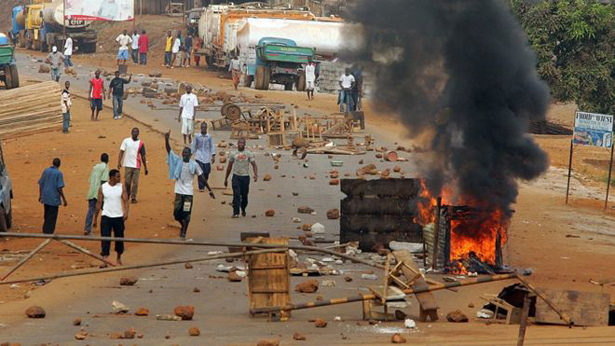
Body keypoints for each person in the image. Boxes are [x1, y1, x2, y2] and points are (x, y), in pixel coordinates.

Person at [165, 131, 214, 239]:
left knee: (186, 213)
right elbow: (169, 151)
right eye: (183, 154)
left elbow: (202, 177)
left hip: (188, 193)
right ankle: (182, 226)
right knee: (176, 213)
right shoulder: (178, 161)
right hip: (178, 192)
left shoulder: (194, 165)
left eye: (187, 154)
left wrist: (209, 189)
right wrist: (166, 140)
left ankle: (184, 232)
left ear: (190, 155)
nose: (184, 155)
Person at [93, 169, 128, 266]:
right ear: (112, 177)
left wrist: (126, 212)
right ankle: (105, 260)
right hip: (106, 216)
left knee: (119, 238)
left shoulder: (122, 187)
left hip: (118, 216)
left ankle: (118, 258)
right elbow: (99, 203)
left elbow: (125, 200)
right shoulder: (103, 188)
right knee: (105, 238)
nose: (119, 178)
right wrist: (95, 218)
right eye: (118, 176)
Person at [224, 138, 258, 218]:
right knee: (236, 194)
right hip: (236, 177)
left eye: (242, 143)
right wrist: (226, 178)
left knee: (244, 196)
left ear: (244, 144)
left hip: (245, 177)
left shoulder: (248, 154)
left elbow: (254, 165)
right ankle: (236, 212)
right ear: (237, 144)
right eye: (239, 143)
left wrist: (255, 174)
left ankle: (243, 208)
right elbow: (229, 167)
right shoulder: (233, 153)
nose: (240, 144)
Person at [118, 128, 148, 204]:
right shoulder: (126, 141)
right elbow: (121, 151)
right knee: (127, 182)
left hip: (136, 166)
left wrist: (145, 168)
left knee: (135, 183)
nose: (135, 133)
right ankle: (127, 195)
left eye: (136, 132)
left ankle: (133, 197)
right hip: (127, 164)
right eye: (134, 132)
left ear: (138, 133)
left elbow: (143, 156)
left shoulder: (141, 143)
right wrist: (119, 162)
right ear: (131, 132)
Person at [38, 158, 67, 234]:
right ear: (59, 164)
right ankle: (49, 231)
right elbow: (59, 188)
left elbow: (41, 184)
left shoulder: (46, 171)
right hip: (54, 199)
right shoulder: (58, 173)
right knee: (52, 216)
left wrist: (40, 195)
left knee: (46, 214)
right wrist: (64, 199)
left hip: (45, 197)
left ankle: (45, 229)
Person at [84, 153, 109, 235]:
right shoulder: (105, 167)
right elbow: (104, 181)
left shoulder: (95, 167)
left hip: (92, 191)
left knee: (91, 210)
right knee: (107, 209)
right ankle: (109, 226)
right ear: (107, 160)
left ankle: (87, 229)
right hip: (99, 192)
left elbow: (90, 180)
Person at [191, 122, 217, 193]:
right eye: (202, 127)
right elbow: (194, 145)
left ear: (206, 128)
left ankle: (204, 182)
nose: (203, 129)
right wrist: (191, 153)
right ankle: (201, 186)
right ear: (200, 128)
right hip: (198, 156)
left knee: (207, 172)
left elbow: (212, 146)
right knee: (200, 172)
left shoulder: (209, 137)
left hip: (206, 157)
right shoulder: (197, 136)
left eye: (204, 127)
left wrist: (213, 155)